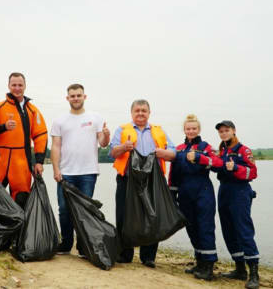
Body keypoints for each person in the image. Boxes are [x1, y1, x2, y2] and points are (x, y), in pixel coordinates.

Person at [110, 99, 175, 268]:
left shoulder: (158, 131)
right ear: (131, 113)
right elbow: (112, 152)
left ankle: (148, 257)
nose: (140, 113)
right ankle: (125, 254)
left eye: (144, 110)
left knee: (152, 216)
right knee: (124, 215)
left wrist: (163, 153)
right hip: (127, 178)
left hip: (153, 180)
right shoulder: (122, 130)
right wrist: (124, 147)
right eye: (137, 110)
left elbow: (173, 153)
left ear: (149, 113)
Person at [50, 83, 110, 256]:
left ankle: (83, 245)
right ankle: (66, 243)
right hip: (66, 172)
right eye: (72, 96)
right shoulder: (60, 120)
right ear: (67, 98)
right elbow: (55, 146)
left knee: (85, 210)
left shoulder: (96, 117)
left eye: (79, 95)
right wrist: (55, 169)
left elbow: (103, 143)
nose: (76, 98)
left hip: (88, 172)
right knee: (64, 209)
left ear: (85, 97)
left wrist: (105, 133)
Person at [168, 114, 223, 280]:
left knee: (205, 227)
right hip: (185, 192)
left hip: (203, 190)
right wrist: (172, 193)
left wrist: (199, 157)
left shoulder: (206, 147)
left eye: (194, 128)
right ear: (184, 130)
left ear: (198, 129)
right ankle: (199, 262)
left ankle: (209, 266)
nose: (191, 131)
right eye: (188, 128)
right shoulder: (178, 149)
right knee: (191, 227)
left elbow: (218, 165)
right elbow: (174, 174)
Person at [0, 72, 48, 209]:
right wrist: (4, 127)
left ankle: (19, 230)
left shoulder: (32, 111)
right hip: (0, 161)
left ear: (25, 86)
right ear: (8, 86)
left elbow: (40, 135)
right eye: (14, 85)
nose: (17, 88)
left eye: (20, 85)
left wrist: (39, 161)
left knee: (21, 200)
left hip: (21, 163)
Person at [212, 120, 259, 289]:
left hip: (240, 192)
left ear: (233, 131)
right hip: (224, 190)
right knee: (228, 230)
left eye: (226, 130)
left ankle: (254, 272)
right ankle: (240, 269)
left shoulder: (243, 150)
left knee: (243, 230)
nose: (223, 133)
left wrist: (236, 168)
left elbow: (253, 172)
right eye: (221, 131)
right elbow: (217, 166)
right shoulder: (222, 150)